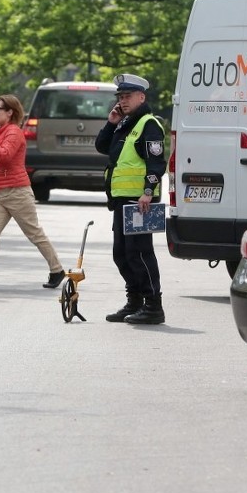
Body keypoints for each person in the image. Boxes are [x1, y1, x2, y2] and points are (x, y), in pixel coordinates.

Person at [0, 95, 66, 289]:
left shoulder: (14, 132)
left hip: (17, 193)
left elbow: (5, 156)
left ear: (10, 112)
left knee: (34, 234)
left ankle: (57, 269)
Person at [95, 74, 166, 324]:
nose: (123, 101)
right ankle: (135, 301)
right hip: (122, 201)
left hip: (140, 202)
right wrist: (111, 123)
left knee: (140, 253)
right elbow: (103, 147)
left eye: (127, 96)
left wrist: (148, 192)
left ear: (141, 97)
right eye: (120, 97)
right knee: (122, 254)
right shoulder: (125, 124)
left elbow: (156, 163)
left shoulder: (149, 124)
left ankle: (153, 305)